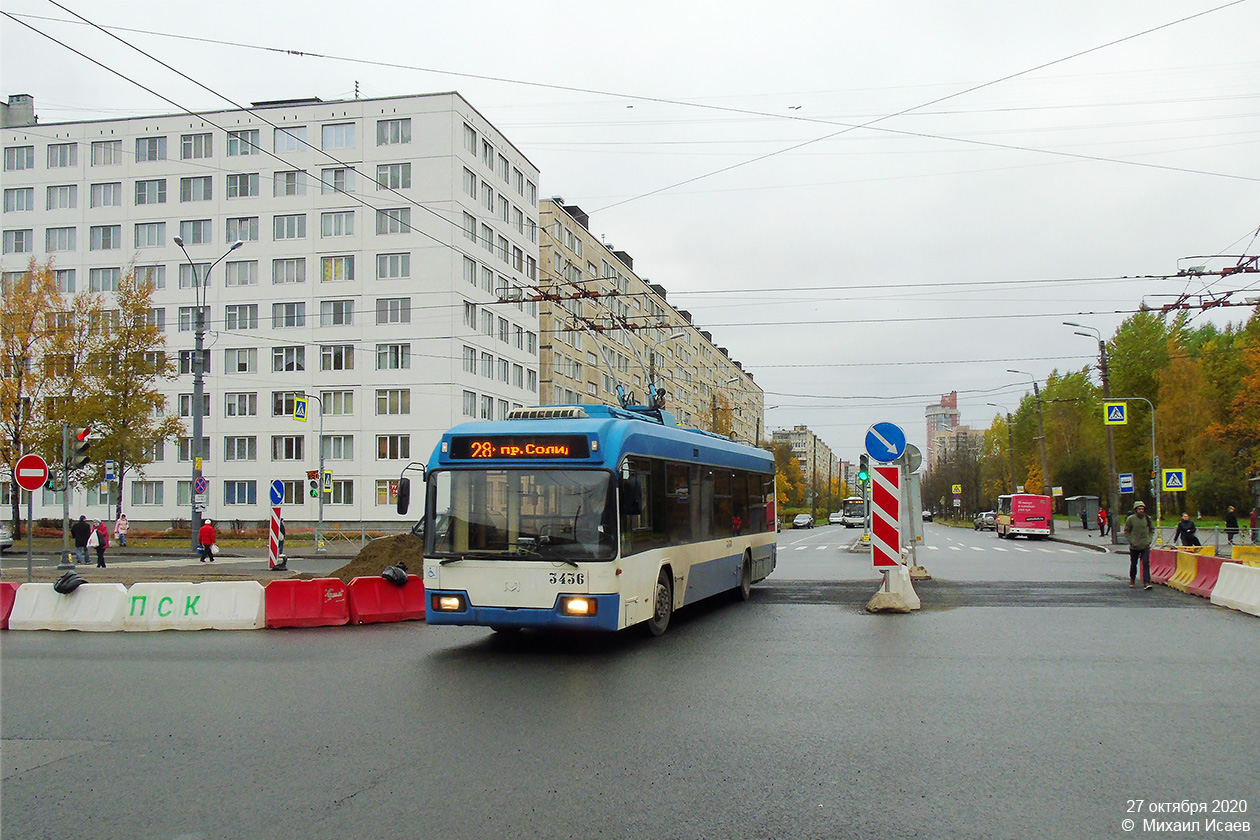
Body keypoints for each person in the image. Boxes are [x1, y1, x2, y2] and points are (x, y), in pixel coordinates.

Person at [1123, 501, 1155, 590]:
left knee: (1146, 562)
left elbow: (1152, 529)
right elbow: (1126, 531)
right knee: (1134, 563)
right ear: (1135, 510)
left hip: (1145, 545)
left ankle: (1147, 582)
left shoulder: (1147, 518)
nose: (1141, 510)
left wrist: (1149, 540)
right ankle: (1132, 579)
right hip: (1134, 546)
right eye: (1139, 509)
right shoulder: (1131, 519)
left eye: (1142, 509)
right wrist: (1131, 541)